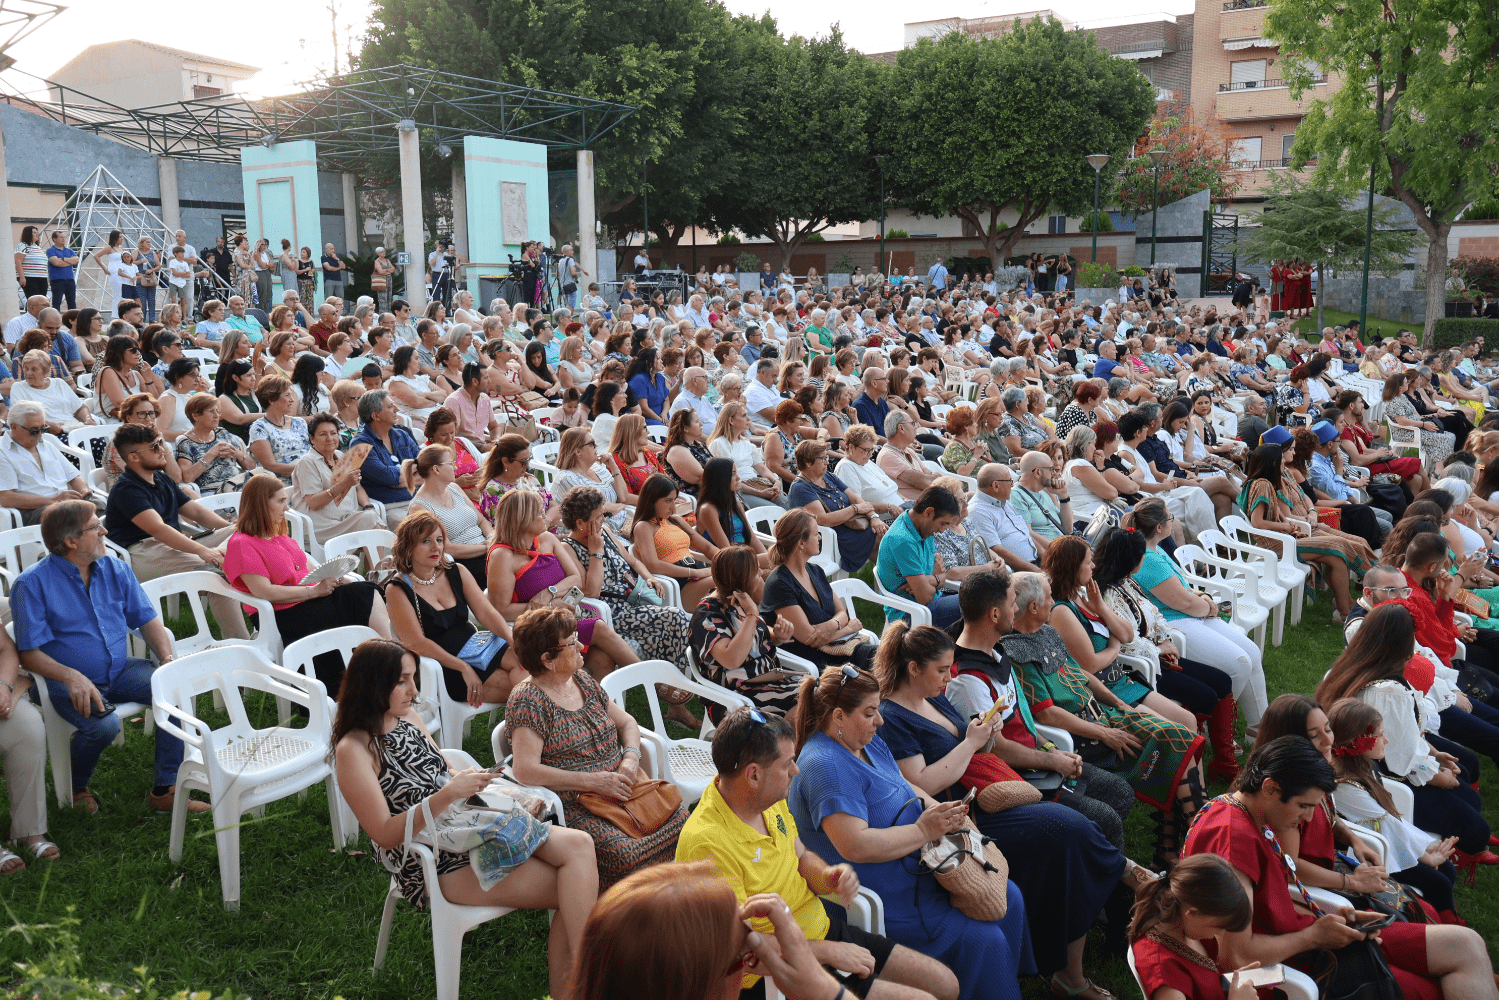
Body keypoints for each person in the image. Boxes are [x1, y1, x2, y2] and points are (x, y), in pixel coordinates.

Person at [875, 620, 1146, 995]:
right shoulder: (892, 718)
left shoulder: (930, 696)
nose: (949, 677)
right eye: (942, 670)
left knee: (1073, 834)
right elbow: (921, 784)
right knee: (1069, 831)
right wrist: (971, 743)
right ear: (913, 669)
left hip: (987, 795)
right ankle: (1126, 878)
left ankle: (1073, 963)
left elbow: (965, 748)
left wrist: (985, 734)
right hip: (963, 818)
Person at [332, 638, 595, 999]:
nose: (414, 690)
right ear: (373, 685)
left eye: (413, 678)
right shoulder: (354, 750)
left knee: (581, 846)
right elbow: (385, 834)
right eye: (402, 681)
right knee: (573, 887)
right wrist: (449, 794)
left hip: (466, 823)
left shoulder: (405, 716)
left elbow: (439, 770)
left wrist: (474, 781)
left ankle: (585, 979)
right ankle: (586, 982)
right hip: (435, 861)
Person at [676, 705, 961, 1000]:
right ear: (754, 775)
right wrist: (829, 952)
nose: (796, 770)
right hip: (777, 973)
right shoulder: (707, 844)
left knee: (945, 984)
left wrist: (827, 876)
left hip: (820, 933)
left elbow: (800, 856)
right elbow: (742, 949)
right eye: (787, 764)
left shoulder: (766, 798)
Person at [786, 664, 1035, 1000]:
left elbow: (903, 784)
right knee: (983, 939)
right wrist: (923, 831)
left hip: (922, 866)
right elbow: (855, 846)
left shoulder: (866, 742)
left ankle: (1002, 981)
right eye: (870, 713)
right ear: (839, 716)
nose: (880, 720)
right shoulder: (825, 765)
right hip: (888, 894)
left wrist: (942, 811)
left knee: (1010, 895)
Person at [1183, 736, 1497, 1000]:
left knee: (1466, 943)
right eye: (1304, 806)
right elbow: (1235, 958)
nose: (1308, 818)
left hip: (1308, 941)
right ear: (1270, 788)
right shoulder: (1231, 841)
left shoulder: (1249, 812)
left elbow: (1269, 905)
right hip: (1281, 972)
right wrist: (1313, 936)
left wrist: (1332, 918)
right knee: (1436, 988)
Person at [1004, 571, 1206, 868]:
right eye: (1048, 597)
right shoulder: (1015, 651)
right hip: (1084, 735)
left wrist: (1120, 704)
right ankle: (1197, 841)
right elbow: (1046, 713)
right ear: (1033, 607)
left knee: (1178, 736)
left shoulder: (1047, 633)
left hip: (1105, 715)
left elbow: (1083, 676)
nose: (1053, 602)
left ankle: (1179, 845)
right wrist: (1104, 734)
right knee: (1173, 742)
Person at [12, 500, 198, 815]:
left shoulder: (115, 567)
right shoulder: (31, 584)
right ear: (71, 541)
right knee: (104, 726)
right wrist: (71, 676)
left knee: (174, 689)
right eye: (95, 526)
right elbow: (29, 655)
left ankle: (165, 789)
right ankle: (75, 786)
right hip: (63, 681)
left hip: (118, 670)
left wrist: (167, 660)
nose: (105, 531)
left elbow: (147, 619)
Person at [506, 605, 689, 887]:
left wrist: (630, 759)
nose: (581, 646)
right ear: (548, 659)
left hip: (624, 789)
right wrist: (595, 782)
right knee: (624, 854)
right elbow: (525, 770)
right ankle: (628, 903)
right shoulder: (528, 700)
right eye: (571, 643)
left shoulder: (580, 680)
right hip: (579, 803)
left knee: (683, 823)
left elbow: (627, 723)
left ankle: (666, 896)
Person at [1314, 602, 1496, 870]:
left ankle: (1468, 836)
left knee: (1466, 781)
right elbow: (1400, 756)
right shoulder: (1388, 690)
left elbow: (1402, 733)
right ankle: (1468, 847)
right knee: (1471, 816)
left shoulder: (1350, 667)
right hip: (1378, 774)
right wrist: (1437, 777)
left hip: (1366, 760)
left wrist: (1433, 754)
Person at [1124, 498, 1268, 733]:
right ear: (1159, 527)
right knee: (1239, 663)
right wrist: (1209, 607)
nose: (1173, 521)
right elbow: (1183, 602)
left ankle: (1259, 725)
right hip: (1176, 622)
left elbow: (1183, 585)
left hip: (1191, 615)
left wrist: (1203, 597)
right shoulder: (1148, 560)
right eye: (1170, 518)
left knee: (1251, 652)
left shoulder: (1157, 549)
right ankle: (1220, 729)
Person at [1326, 698, 1464, 923]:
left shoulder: (1364, 764)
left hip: (1384, 841)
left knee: (1446, 869)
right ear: (1360, 742)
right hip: (1370, 855)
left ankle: (1446, 916)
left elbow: (1389, 819)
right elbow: (1388, 823)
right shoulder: (1345, 786)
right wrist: (1427, 857)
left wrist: (1425, 848)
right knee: (1438, 882)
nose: (1387, 740)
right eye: (1380, 735)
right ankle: (1444, 926)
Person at [223, 474, 390, 661]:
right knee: (363, 596)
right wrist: (314, 592)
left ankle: (385, 656)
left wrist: (337, 579)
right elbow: (264, 591)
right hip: (283, 614)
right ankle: (390, 657)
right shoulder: (242, 543)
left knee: (364, 590)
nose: (287, 507)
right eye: (281, 501)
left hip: (307, 601)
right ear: (261, 503)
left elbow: (313, 570)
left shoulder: (278, 535)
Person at [485, 489, 640, 679]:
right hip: (534, 628)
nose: (546, 517)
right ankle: (656, 683)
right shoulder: (502, 556)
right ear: (523, 519)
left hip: (563, 620)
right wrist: (549, 607)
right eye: (540, 513)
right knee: (598, 627)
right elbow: (500, 610)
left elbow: (575, 578)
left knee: (602, 658)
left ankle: (600, 699)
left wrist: (549, 593)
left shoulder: (547, 540)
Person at [384, 510, 525, 707]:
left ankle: (535, 719)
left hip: (477, 648)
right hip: (444, 665)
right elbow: (417, 643)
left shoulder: (456, 571)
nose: (436, 547)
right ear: (408, 547)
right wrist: (463, 667)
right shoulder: (397, 589)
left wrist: (512, 640)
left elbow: (487, 613)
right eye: (426, 541)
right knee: (524, 686)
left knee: (527, 664)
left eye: (439, 540)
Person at [559, 485, 695, 672]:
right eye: (598, 517)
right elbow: (591, 591)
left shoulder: (605, 532)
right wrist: (596, 552)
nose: (603, 520)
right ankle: (673, 681)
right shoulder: (568, 548)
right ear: (581, 523)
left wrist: (649, 577)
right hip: (612, 612)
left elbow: (633, 561)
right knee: (675, 617)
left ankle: (675, 676)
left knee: (675, 620)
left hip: (634, 599)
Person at [1127, 855, 1259, 1000]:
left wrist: (1231, 984)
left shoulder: (1185, 928)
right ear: (1192, 913)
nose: (1220, 932)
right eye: (1218, 926)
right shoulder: (1163, 972)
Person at [761, 510, 877, 672]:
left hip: (836, 649)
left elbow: (842, 612)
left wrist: (830, 626)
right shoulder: (779, 584)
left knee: (891, 657)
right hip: (812, 660)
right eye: (816, 534)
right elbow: (809, 638)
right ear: (801, 544)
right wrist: (847, 629)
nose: (820, 538)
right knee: (885, 663)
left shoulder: (815, 571)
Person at [874, 486, 964, 630]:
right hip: (910, 614)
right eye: (943, 523)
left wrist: (930, 580)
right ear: (929, 512)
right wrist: (936, 578)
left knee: (984, 599)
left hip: (931, 602)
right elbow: (925, 598)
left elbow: (940, 579)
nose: (942, 530)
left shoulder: (923, 529)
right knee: (978, 603)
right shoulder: (903, 540)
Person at [791, 440, 884, 574]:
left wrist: (873, 517)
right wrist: (855, 509)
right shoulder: (800, 488)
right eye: (823, 459)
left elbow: (855, 498)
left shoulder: (827, 476)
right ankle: (893, 580)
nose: (827, 462)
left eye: (827, 457)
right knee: (883, 538)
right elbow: (824, 520)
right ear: (807, 462)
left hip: (850, 527)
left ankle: (888, 579)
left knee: (882, 534)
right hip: (828, 537)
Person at [404, 444, 494, 580]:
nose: (456, 467)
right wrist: (486, 547)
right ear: (436, 469)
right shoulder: (420, 508)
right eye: (451, 464)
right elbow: (445, 548)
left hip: (486, 550)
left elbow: (481, 520)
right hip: (461, 563)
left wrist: (491, 539)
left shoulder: (454, 488)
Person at [288, 413, 381, 544]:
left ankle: (377, 558)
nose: (330, 438)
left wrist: (368, 506)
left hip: (346, 519)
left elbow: (358, 488)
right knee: (371, 523)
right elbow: (314, 503)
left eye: (333, 433)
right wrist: (343, 484)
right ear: (312, 439)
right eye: (323, 434)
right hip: (321, 526)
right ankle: (378, 559)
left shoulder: (339, 455)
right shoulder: (307, 462)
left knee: (373, 520)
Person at [350, 389, 422, 526]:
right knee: (421, 529)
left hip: (420, 499)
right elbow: (389, 477)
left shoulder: (402, 434)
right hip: (391, 507)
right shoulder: (360, 445)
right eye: (390, 407)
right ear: (376, 416)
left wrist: (399, 482)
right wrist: (413, 473)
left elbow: (426, 465)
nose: (397, 409)